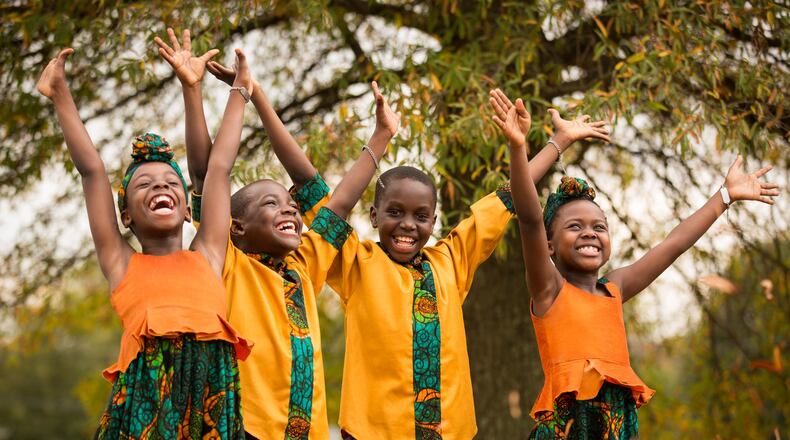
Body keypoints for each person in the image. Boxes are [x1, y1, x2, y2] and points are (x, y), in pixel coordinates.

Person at [155, 27, 402, 439]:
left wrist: (381, 136)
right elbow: (206, 175)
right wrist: (193, 91)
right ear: (236, 228)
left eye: (289, 206)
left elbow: (334, 200)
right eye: (270, 204)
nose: (289, 208)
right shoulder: (228, 264)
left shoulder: (304, 265)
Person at [491, 89, 780, 439]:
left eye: (599, 227)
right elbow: (530, 219)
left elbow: (673, 245)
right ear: (549, 245)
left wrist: (725, 195)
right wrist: (518, 147)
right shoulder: (549, 289)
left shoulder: (614, 289)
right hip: (567, 429)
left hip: (617, 427)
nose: (589, 234)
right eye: (574, 227)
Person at [329, 88, 610, 439]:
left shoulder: (449, 260)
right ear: (374, 215)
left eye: (421, 216)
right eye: (395, 212)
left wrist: (558, 141)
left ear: (433, 221)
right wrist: (381, 136)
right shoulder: (354, 262)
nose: (407, 225)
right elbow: (328, 204)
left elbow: (509, 196)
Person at [38, 45, 256, 438]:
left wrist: (239, 92)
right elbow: (91, 170)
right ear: (125, 216)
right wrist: (60, 93)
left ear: (189, 209)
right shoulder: (121, 262)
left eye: (172, 183)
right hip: (147, 406)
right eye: (144, 184)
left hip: (211, 402)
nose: (161, 185)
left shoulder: (208, 253)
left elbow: (220, 169)